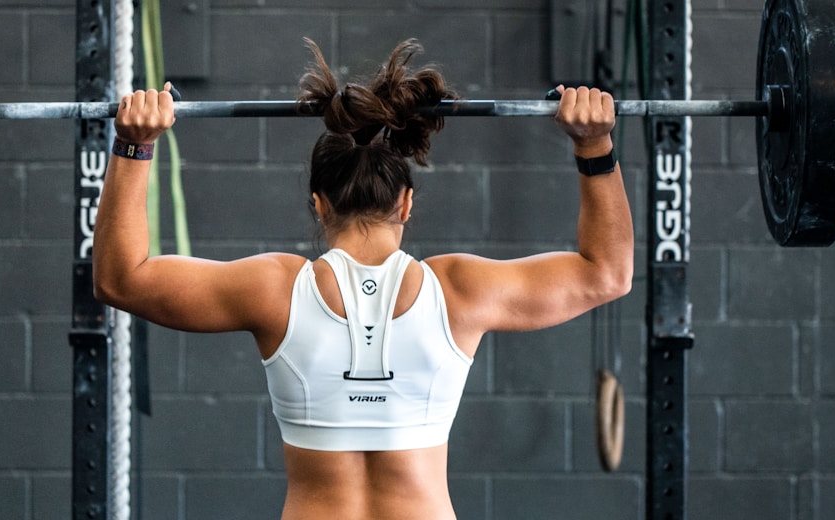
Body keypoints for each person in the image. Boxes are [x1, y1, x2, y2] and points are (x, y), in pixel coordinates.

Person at [93, 38, 633, 520]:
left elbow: (121, 279)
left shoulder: (275, 290)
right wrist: (594, 147)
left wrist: (134, 146)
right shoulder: (459, 291)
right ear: (406, 203)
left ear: (317, 203)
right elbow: (606, 273)